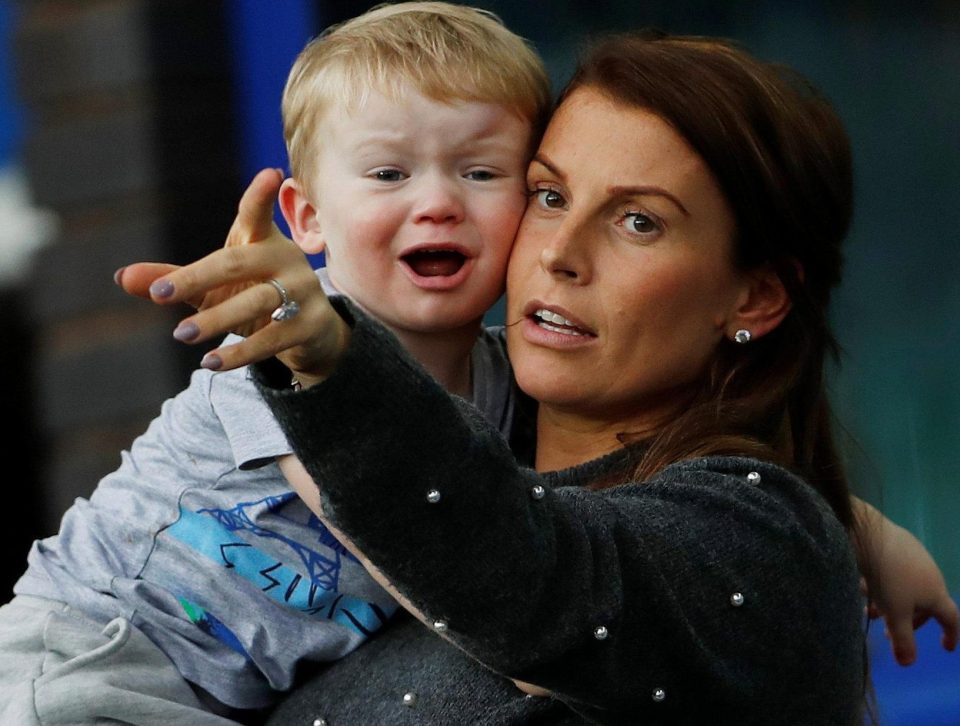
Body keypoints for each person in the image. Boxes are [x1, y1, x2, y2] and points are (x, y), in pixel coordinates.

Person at [140, 30, 959, 724]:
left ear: (755, 295)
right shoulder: (470, 437)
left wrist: (335, 359)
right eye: (548, 194)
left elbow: (538, 569)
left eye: (640, 221)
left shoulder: (764, 541)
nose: (560, 254)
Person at [0, 3, 551, 723]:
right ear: (309, 218)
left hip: (229, 695)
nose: (438, 202)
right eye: (389, 173)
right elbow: (403, 539)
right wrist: (550, 656)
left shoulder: (509, 384)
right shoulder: (284, 337)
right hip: (98, 651)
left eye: (480, 171)